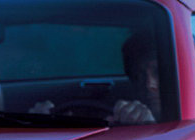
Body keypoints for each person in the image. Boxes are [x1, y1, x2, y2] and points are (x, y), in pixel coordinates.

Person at [32, 31, 160, 124]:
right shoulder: (119, 117)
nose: (149, 84)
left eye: (158, 72)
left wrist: (149, 126)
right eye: (138, 75)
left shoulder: (178, 132)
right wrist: (41, 123)